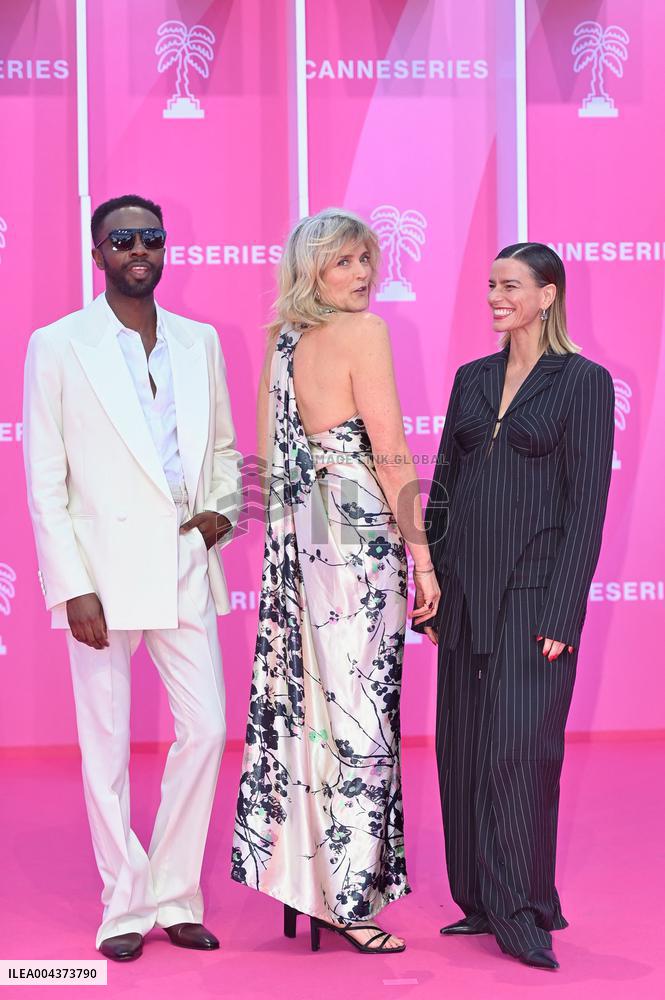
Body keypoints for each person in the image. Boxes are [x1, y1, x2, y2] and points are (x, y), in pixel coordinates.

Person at [23, 194, 242, 961]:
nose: (138, 249)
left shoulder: (198, 341)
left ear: (164, 249)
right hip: (102, 574)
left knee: (208, 728)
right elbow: (44, 478)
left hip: (183, 559)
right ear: (97, 255)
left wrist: (220, 514)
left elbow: (220, 449)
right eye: (122, 240)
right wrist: (68, 585)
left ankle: (177, 893)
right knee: (106, 744)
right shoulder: (57, 345)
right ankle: (125, 903)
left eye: (150, 237)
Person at [231, 208, 439, 954]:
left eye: (365, 261)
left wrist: (287, 553)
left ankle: (306, 884)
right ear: (311, 267)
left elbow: (263, 463)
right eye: (344, 262)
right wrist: (421, 556)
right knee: (359, 714)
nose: (361, 276)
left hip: (300, 538)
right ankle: (348, 900)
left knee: (310, 710)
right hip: (356, 532)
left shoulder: (282, 344)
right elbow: (390, 453)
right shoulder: (365, 334)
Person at [414, 243, 614, 970]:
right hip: (463, 594)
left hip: (534, 597)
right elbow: (440, 484)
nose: (495, 296)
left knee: (517, 754)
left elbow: (587, 505)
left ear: (547, 294)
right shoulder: (472, 378)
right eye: (490, 285)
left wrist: (563, 613)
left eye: (510, 285)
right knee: (463, 750)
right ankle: (481, 897)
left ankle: (520, 911)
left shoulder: (583, 383)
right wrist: (429, 582)